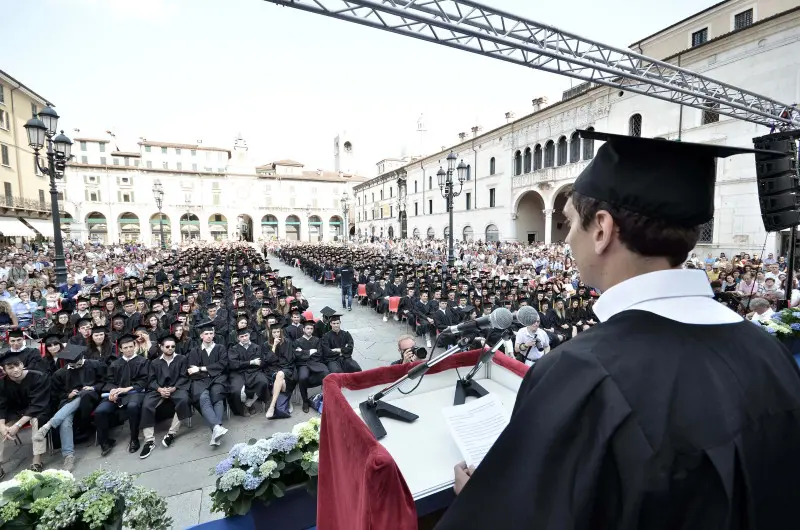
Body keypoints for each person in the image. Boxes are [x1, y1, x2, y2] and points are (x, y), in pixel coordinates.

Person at [436, 131, 800, 529]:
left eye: (569, 223)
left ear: (602, 230)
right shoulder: (772, 354)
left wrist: (478, 503)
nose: (567, 239)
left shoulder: (582, 374)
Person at [35, 344, 104, 471]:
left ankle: (48, 425)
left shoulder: (95, 364)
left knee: (84, 394)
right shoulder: (61, 373)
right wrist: (68, 394)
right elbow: (55, 395)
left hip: (91, 400)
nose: (73, 367)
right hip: (68, 403)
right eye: (70, 365)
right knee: (65, 421)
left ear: (82, 357)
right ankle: (68, 456)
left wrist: (93, 387)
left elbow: (105, 381)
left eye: (75, 364)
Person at [94, 334, 148, 454]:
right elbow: (109, 381)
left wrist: (127, 389)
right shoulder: (115, 364)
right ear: (121, 349)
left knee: (133, 407)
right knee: (100, 411)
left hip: (135, 392)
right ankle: (105, 442)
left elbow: (144, 381)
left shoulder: (142, 361)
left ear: (135, 346)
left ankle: (134, 439)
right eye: (125, 347)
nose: (128, 349)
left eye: (130, 346)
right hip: (117, 394)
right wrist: (112, 390)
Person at [139, 335, 191, 459]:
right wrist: (159, 389)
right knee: (146, 405)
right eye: (167, 346)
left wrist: (173, 388)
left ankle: (171, 434)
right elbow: (150, 380)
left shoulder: (182, 359)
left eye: (173, 346)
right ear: (161, 347)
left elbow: (184, 376)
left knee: (184, 400)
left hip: (176, 388)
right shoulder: (155, 362)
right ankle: (149, 441)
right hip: (158, 389)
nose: (170, 348)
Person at [0, 350, 51, 477]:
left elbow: (37, 404)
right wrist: (2, 427)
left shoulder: (39, 377)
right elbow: (2, 406)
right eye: (10, 368)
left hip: (38, 410)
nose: (16, 370)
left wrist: (17, 426)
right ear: (4, 370)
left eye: (17, 365)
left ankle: (37, 460)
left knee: (37, 420)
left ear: (22, 364)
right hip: (15, 412)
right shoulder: (2, 383)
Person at [187, 321, 229, 446]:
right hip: (200, 381)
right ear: (201, 336)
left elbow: (222, 365)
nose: (209, 336)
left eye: (211, 333)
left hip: (218, 379)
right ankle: (217, 428)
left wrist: (201, 369)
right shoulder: (195, 351)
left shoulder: (220, 348)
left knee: (217, 396)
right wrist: (210, 371)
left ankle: (216, 430)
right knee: (203, 396)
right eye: (206, 334)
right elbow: (191, 370)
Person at [293, 319, 329, 412]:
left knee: (326, 372)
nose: (309, 330)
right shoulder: (297, 341)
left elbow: (319, 354)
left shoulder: (317, 340)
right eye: (307, 328)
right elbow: (297, 355)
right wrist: (310, 352)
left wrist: (303, 352)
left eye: (311, 328)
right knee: (302, 377)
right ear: (303, 329)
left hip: (316, 362)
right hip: (303, 364)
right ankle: (305, 401)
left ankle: (326, 397)